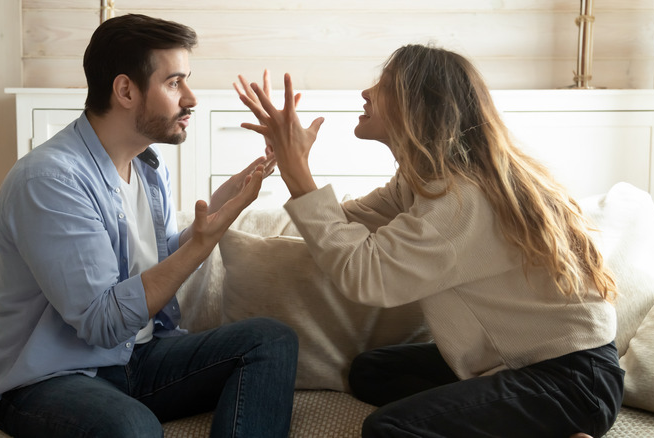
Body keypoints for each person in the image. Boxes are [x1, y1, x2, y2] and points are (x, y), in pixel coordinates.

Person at [234, 44, 623, 437]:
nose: (366, 93)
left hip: (571, 382)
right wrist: (290, 166)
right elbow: (339, 225)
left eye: (383, 86)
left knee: (389, 429)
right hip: (527, 363)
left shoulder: (462, 200)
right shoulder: (424, 182)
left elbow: (366, 275)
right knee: (371, 372)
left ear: (418, 106)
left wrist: (298, 169)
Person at [0, 14, 299, 438]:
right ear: (126, 90)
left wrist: (229, 204)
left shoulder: (148, 167)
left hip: (141, 357)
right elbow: (101, 323)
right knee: (133, 427)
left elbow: (160, 257)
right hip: (55, 377)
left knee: (270, 340)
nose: (191, 98)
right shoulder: (50, 181)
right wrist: (198, 248)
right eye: (174, 83)